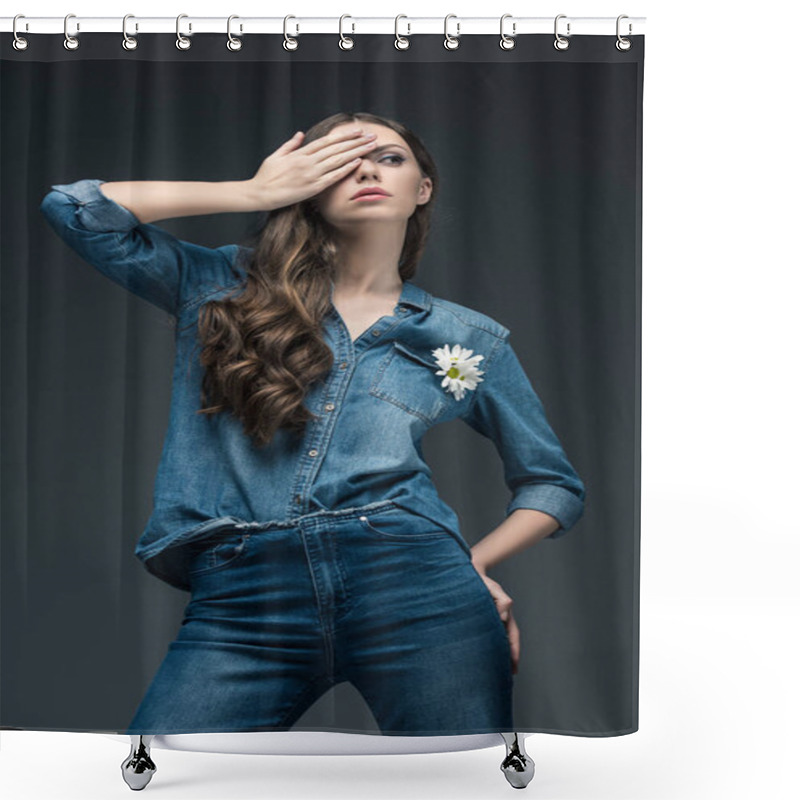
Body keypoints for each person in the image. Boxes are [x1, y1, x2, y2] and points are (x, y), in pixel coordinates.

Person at [39, 112, 585, 736]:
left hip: (419, 589)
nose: (366, 170)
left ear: (423, 188)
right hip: (245, 598)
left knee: (454, 781)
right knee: (167, 769)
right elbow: (76, 208)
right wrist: (251, 193)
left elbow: (553, 484)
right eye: (340, 160)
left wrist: (474, 565)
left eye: (389, 158)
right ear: (309, 186)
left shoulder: (465, 337)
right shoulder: (219, 285)